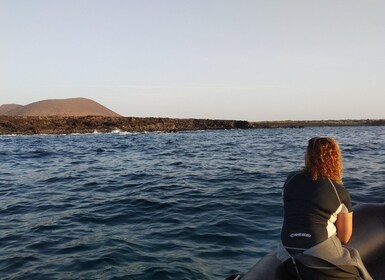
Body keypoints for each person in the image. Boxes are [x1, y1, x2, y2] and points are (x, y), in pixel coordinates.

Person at [276, 137, 372, 280]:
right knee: (355, 260)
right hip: (318, 255)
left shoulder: (290, 180)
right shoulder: (338, 191)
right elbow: (345, 237)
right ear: (335, 159)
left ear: (308, 156)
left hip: (286, 252)